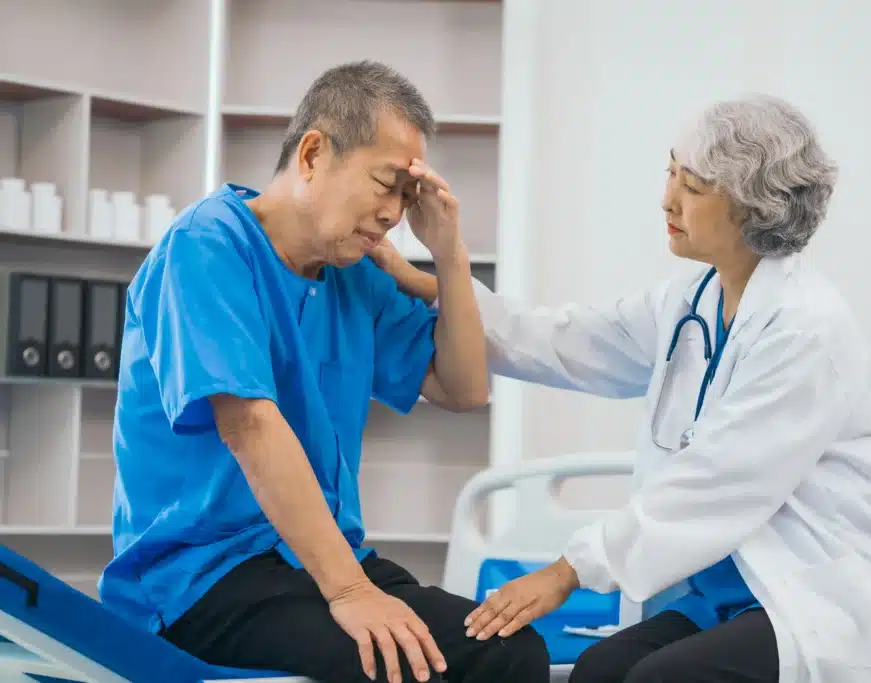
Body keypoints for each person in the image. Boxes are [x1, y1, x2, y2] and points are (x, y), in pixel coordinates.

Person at [371, 94, 871, 683]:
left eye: (691, 187)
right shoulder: (692, 300)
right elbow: (566, 340)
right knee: (599, 671)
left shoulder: (806, 330)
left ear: (752, 206)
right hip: (728, 595)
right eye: (671, 172)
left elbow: (714, 484)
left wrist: (567, 571)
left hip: (811, 596)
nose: (667, 198)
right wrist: (438, 285)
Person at [98, 60, 550, 683]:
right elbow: (250, 427)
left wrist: (449, 255)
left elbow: (464, 387)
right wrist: (349, 592)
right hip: (201, 579)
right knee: (410, 668)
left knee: (510, 651)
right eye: (385, 184)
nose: (394, 213)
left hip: (314, 563)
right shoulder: (207, 246)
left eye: (406, 196)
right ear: (313, 153)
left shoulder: (352, 274)